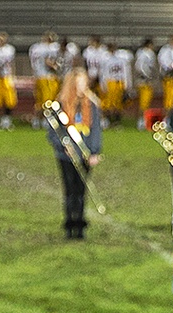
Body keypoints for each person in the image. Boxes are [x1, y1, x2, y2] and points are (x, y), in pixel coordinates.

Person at [47, 69, 103, 242]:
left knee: (81, 190)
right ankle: (70, 223)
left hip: (84, 154)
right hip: (66, 156)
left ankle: (80, 224)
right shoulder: (61, 105)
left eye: (84, 83)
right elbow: (52, 131)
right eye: (78, 83)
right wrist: (62, 145)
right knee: (70, 190)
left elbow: (95, 130)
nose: (82, 87)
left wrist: (94, 152)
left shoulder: (91, 104)